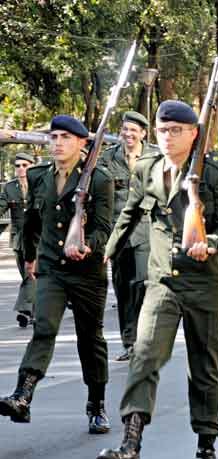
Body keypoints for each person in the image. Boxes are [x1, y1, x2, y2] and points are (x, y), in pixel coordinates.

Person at [97, 101, 218, 459]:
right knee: (143, 357)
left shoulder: (216, 172)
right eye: (162, 129)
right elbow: (129, 213)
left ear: (194, 133)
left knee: (204, 370)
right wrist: (106, 253)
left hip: (204, 283)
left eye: (176, 130)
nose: (167, 136)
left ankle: (207, 449)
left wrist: (212, 244)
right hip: (162, 282)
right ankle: (131, 445)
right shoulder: (147, 167)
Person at [0, 116, 114, 433]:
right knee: (44, 327)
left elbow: (105, 226)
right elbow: (32, 221)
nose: (58, 142)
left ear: (82, 143)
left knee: (90, 339)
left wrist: (88, 246)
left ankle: (96, 404)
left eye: (65, 137)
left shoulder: (99, 180)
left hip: (87, 272)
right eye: (53, 137)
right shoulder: (39, 176)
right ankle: (23, 395)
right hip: (51, 266)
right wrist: (30, 257)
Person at [99, 111, 157, 361]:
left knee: (143, 283)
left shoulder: (155, 155)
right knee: (123, 288)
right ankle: (129, 341)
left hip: (146, 229)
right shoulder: (108, 157)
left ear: (143, 133)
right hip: (118, 231)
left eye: (134, 130)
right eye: (125, 130)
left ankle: (145, 339)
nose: (128, 134)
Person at [0, 152, 37, 328]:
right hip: (18, 240)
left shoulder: (40, 184)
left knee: (31, 274)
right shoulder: (9, 188)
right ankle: (34, 312)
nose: (21, 169)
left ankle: (25, 310)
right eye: (18, 166)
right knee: (27, 276)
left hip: (39, 238)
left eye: (25, 165)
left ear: (32, 166)